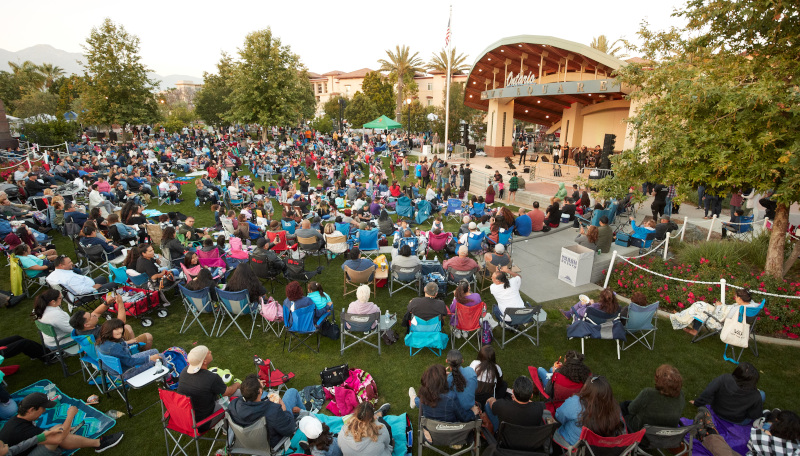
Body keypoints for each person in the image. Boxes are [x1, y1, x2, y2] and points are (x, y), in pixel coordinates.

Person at [0, 392, 124, 455]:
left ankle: (96, 443)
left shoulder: (18, 420)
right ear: (31, 409)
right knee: (57, 439)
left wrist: (60, 430)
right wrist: (70, 416)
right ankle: (99, 444)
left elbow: (31, 441)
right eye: (43, 408)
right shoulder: (21, 430)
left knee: (59, 429)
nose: (44, 410)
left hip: (24, 449)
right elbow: (57, 439)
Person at [177, 345, 240, 432]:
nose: (210, 351)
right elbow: (228, 392)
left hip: (184, 418)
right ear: (205, 361)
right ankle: (228, 428)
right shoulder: (211, 378)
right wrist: (237, 384)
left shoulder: (184, 372)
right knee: (238, 394)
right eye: (208, 352)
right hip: (202, 423)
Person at [228, 374, 301, 448]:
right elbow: (290, 429)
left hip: (250, 442)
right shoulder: (273, 411)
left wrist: (259, 389)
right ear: (259, 391)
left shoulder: (234, 405)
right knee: (291, 392)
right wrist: (283, 408)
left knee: (265, 394)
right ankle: (304, 414)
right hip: (271, 443)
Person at [554, 376, 625, 448]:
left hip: (572, 445)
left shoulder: (575, 403)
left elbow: (558, 416)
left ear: (587, 390)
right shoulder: (615, 409)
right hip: (600, 449)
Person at [695, 408, 800, 456]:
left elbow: (751, 444)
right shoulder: (797, 447)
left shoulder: (762, 438)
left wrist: (764, 432)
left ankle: (707, 434)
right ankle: (709, 432)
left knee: (722, 449)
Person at [69, 293, 153, 349]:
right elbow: (120, 322)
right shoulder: (100, 332)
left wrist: (107, 303)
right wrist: (120, 304)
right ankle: (138, 356)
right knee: (148, 336)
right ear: (86, 325)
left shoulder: (79, 329)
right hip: (116, 349)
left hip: (104, 349)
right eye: (91, 316)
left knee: (127, 327)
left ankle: (134, 348)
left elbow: (96, 312)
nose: (93, 315)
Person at [691, 362, 763, 424]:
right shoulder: (756, 395)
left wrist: (697, 403)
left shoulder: (724, 379)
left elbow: (707, 392)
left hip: (717, 411)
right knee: (763, 394)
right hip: (737, 420)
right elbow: (754, 415)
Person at [620, 364, 685, 432]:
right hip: (665, 435)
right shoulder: (681, 396)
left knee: (623, 406)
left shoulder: (648, 394)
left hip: (641, 434)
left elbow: (631, 410)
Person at [670, 288, 761, 335]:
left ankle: (681, 318)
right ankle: (685, 319)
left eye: (736, 297)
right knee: (700, 304)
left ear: (741, 299)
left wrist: (718, 306)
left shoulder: (738, 309)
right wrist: (721, 306)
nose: (735, 298)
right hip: (723, 313)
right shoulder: (751, 305)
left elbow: (720, 318)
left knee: (698, 307)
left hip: (718, 321)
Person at [408, 364, 480, 423]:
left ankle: (414, 399)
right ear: (442, 381)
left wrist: (440, 375)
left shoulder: (423, 395)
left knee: (419, 401)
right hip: (451, 434)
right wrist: (472, 412)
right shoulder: (451, 397)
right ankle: (414, 400)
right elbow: (464, 418)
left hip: (432, 433)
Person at [95, 318, 161, 379]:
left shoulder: (100, 342)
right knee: (160, 356)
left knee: (154, 351)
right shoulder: (114, 347)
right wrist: (150, 358)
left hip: (114, 370)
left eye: (121, 328)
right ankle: (168, 379)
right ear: (108, 330)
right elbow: (130, 362)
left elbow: (116, 348)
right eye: (116, 329)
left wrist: (127, 343)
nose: (120, 331)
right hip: (127, 372)